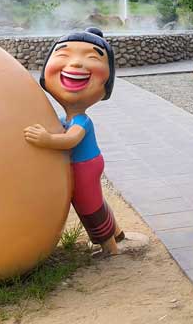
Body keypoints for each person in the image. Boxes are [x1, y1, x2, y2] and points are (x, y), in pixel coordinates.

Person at [24, 27, 125, 256]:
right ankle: (116, 231)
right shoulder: (65, 118)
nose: (78, 64)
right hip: (81, 166)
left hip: (85, 166)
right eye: (63, 54)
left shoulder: (82, 120)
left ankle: (110, 248)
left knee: (88, 206)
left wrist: (47, 139)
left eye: (92, 57)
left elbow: (70, 140)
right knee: (95, 200)